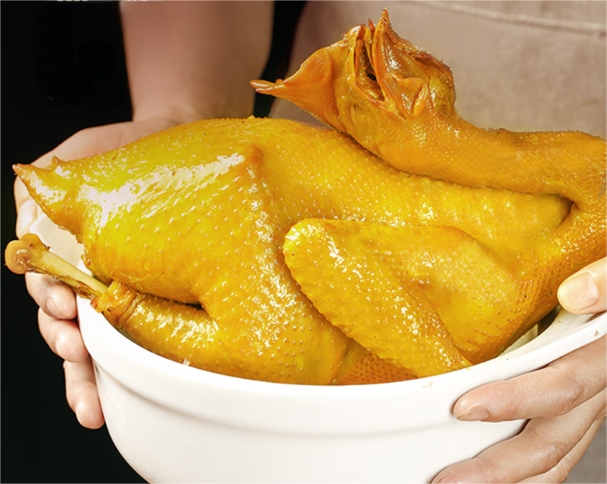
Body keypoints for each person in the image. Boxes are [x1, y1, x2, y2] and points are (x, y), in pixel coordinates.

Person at [13, 2, 606, 483]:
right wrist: (182, 110)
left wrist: (450, 383)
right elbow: (317, 249)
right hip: (247, 185)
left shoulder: (507, 266)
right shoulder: (498, 276)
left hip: (302, 172)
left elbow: (321, 250)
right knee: (285, 347)